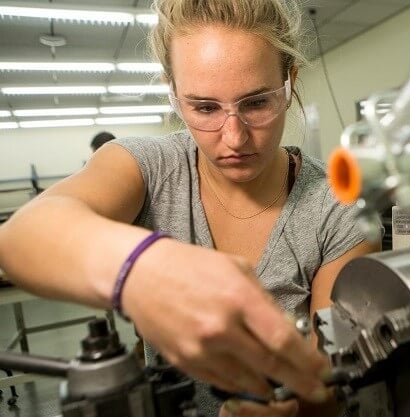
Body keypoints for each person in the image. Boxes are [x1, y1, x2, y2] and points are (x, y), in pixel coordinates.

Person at [0, 0, 381, 416]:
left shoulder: (337, 205)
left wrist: (302, 409)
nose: (234, 137)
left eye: (256, 103)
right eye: (204, 108)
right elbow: (20, 238)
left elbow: (334, 381)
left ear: (289, 83)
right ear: (174, 95)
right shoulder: (149, 168)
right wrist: (143, 270)